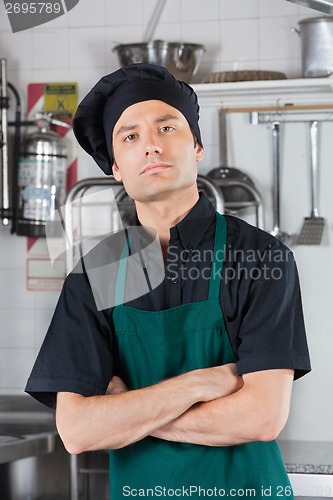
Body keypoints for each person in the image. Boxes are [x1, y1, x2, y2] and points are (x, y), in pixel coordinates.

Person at [26, 63, 311, 499]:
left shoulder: (261, 258)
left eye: (166, 127)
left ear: (197, 147)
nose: (151, 146)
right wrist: (198, 385)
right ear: (116, 167)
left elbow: (262, 417)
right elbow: (78, 431)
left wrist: (125, 413)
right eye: (130, 136)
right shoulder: (94, 274)